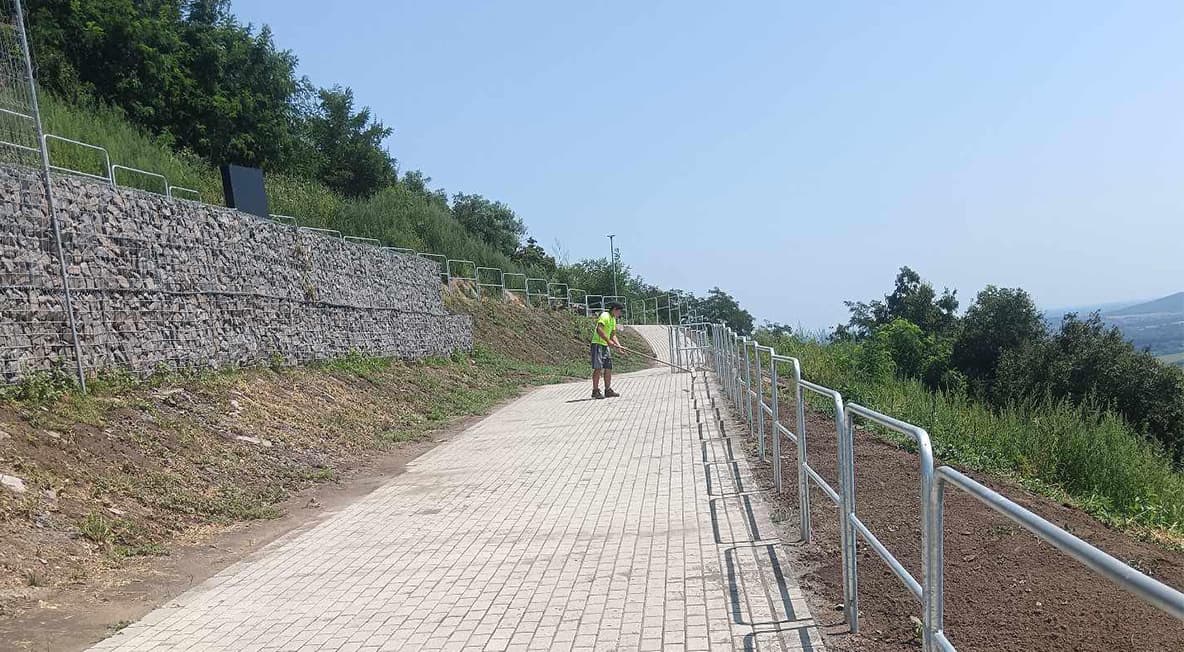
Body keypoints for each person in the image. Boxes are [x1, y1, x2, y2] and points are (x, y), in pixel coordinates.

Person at [590, 302, 624, 399]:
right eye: (619, 311)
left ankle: (608, 390)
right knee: (598, 368)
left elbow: (613, 334)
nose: (620, 314)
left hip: (605, 345)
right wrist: (608, 340)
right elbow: (599, 329)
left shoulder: (613, 319)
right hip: (598, 344)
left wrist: (619, 346)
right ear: (614, 309)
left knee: (608, 367)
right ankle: (595, 391)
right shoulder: (605, 315)